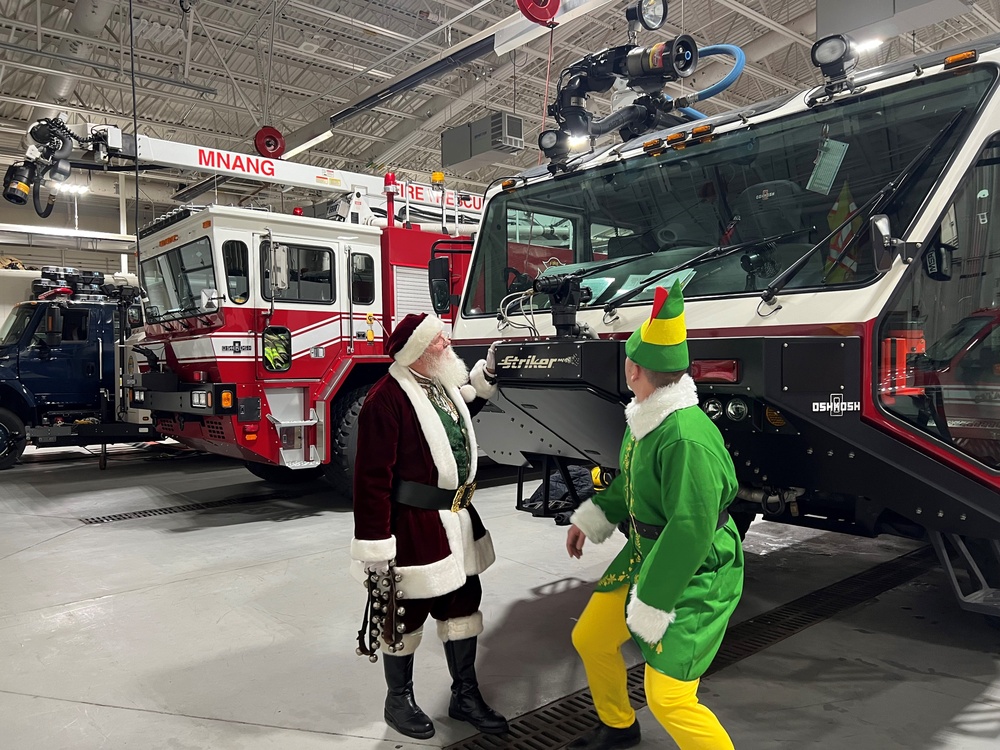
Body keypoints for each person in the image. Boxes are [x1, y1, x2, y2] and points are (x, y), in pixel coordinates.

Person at [565, 281, 744, 750]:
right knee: (592, 637)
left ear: (633, 368)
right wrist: (592, 519)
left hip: (696, 570)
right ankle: (619, 727)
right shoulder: (646, 416)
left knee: (669, 697)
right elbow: (628, 484)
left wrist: (653, 601)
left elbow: (691, 530)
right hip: (647, 553)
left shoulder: (684, 436)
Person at [350, 312, 508, 740]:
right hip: (413, 527)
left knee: (463, 606)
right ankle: (397, 700)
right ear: (417, 351)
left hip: (457, 522)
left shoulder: (438, 385)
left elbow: (467, 402)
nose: (446, 342)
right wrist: (377, 547)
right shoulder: (385, 400)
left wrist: (489, 372)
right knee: (405, 615)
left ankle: (465, 695)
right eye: (439, 339)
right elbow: (370, 481)